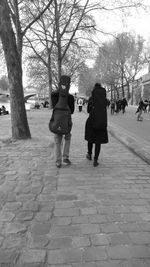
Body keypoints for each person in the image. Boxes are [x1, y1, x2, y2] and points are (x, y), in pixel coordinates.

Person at [51, 76, 75, 168]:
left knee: (57, 141)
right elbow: (72, 111)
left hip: (56, 121)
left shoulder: (54, 95)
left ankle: (58, 161)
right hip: (67, 122)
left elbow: (54, 107)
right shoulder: (71, 97)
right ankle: (65, 156)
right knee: (68, 137)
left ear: (59, 84)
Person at [85, 83, 108, 167]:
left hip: (92, 120)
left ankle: (89, 154)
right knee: (98, 142)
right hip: (101, 121)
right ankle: (96, 160)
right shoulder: (104, 100)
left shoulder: (91, 98)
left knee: (90, 139)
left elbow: (88, 110)